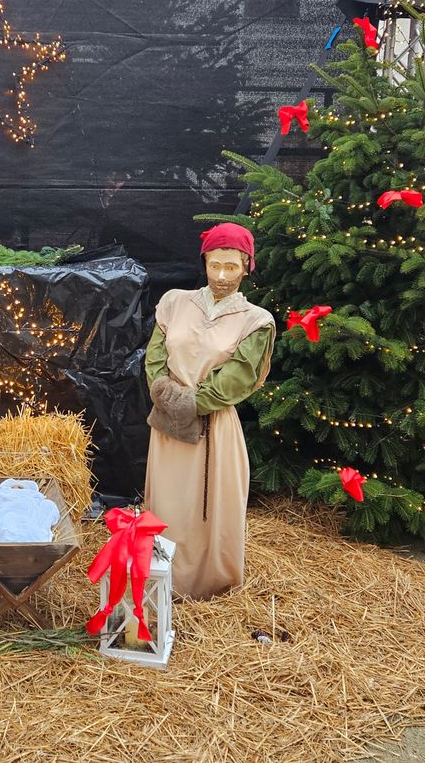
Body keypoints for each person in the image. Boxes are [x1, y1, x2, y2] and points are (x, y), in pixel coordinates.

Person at [144, 223, 275, 599]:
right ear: (203, 262)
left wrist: (192, 404)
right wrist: (164, 394)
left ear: (247, 266)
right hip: (168, 424)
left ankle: (205, 582)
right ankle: (162, 577)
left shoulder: (256, 321)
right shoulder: (174, 302)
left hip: (212, 426)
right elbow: (156, 356)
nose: (221, 275)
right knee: (168, 502)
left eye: (231, 267)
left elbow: (239, 377)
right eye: (214, 265)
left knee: (208, 509)